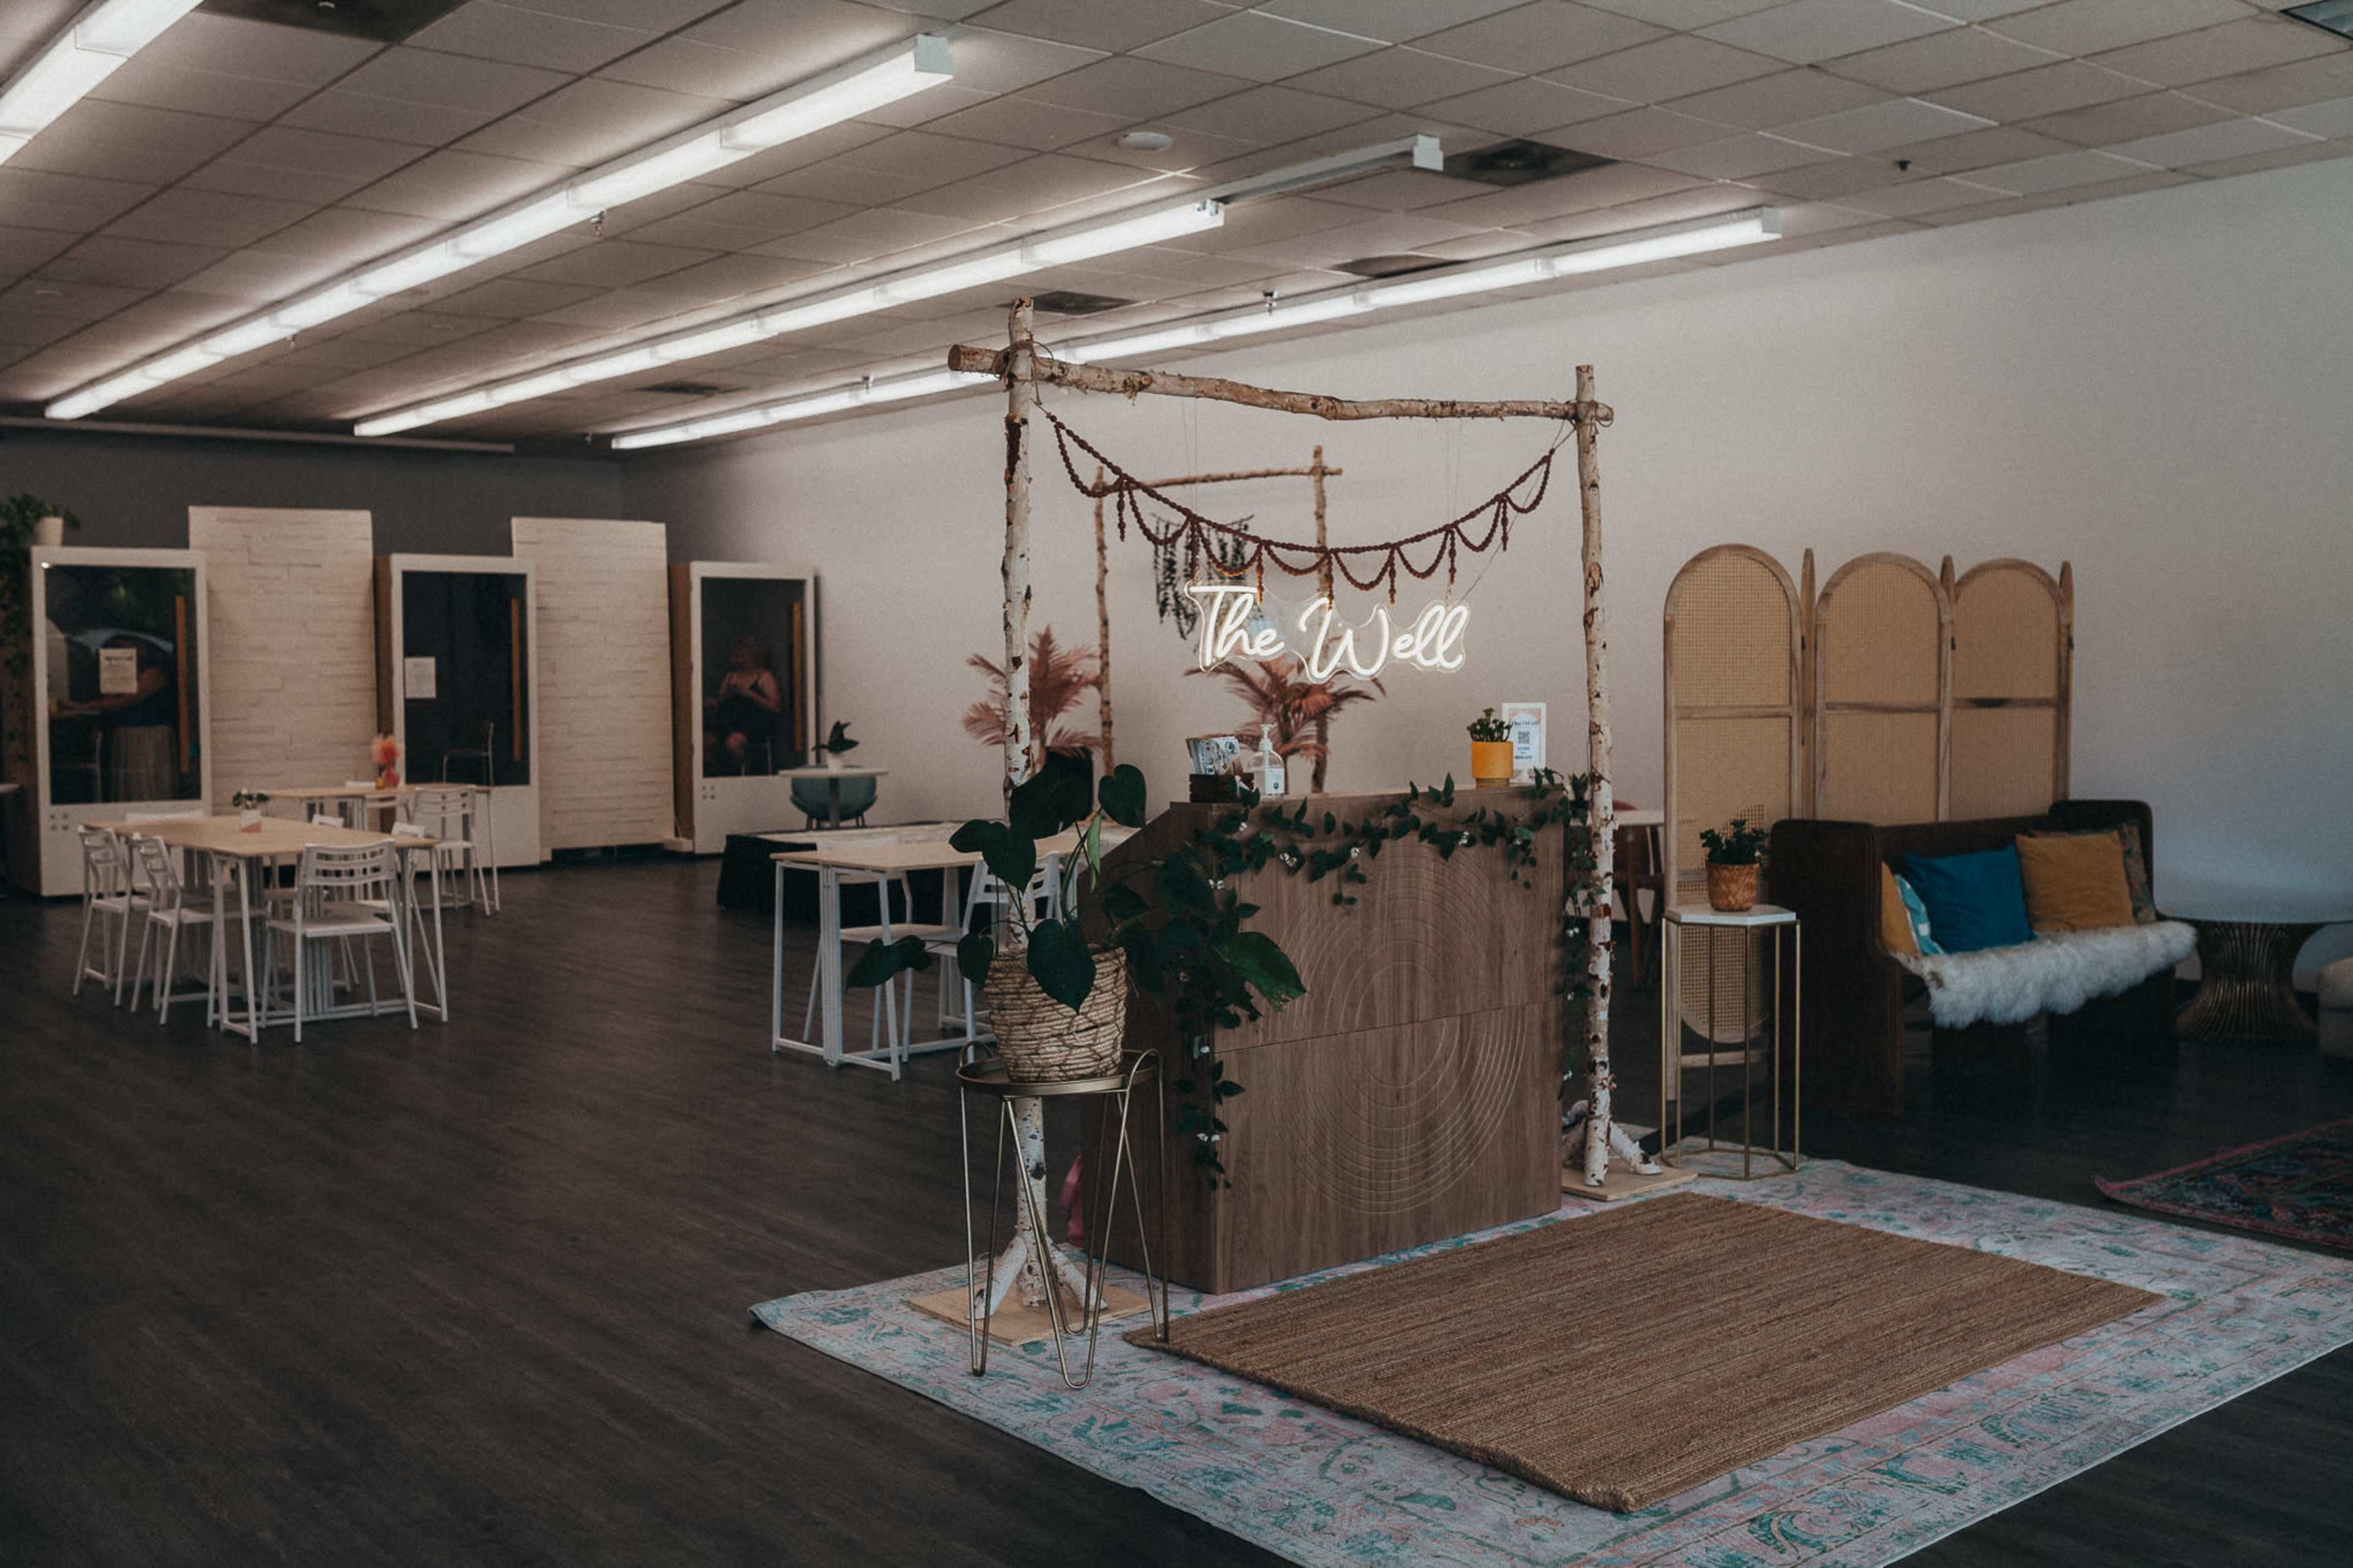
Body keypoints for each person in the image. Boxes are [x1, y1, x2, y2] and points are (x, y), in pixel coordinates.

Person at [707, 635, 781, 774]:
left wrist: (749, 694)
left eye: (744, 655)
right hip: (729, 722)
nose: (741, 659)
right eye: (738, 655)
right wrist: (720, 698)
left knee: (733, 743)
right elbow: (720, 700)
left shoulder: (764, 676)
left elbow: (775, 707)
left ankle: (739, 774)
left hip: (753, 725)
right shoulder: (731, 676)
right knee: (708, 741)